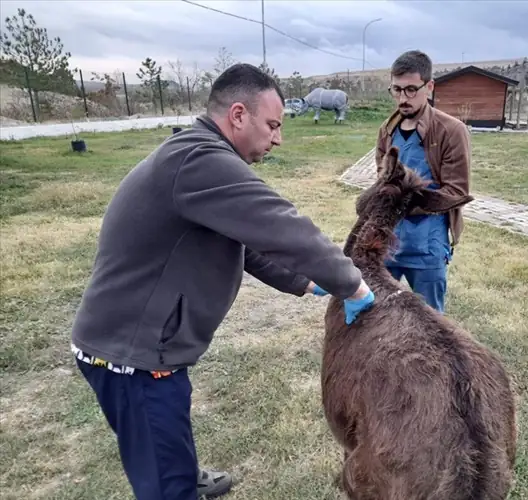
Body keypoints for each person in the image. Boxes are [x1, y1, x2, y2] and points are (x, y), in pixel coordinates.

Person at [69, 63, 375, 500]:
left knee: (168, 420)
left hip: (147, 342)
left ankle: (183, 470)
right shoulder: (200, 160)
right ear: (237, 115)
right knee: (163, 480)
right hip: (131, 356)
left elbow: (243, 244)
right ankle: (175, 483)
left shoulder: (196, 156)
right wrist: (354, 284)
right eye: (272, 125)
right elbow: (281, 225)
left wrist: (305, 283)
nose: (278, 137)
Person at [374, 50, 471, 313]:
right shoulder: (387, 129)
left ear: (429, 87)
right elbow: (381, 179)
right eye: (396, 90)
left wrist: (403, 203)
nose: (403, 98)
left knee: (430, 321)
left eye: (411, 90)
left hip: (427, 246)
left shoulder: (451, 130)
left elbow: (455, 191)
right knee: (377, 314)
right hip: (387, 242)